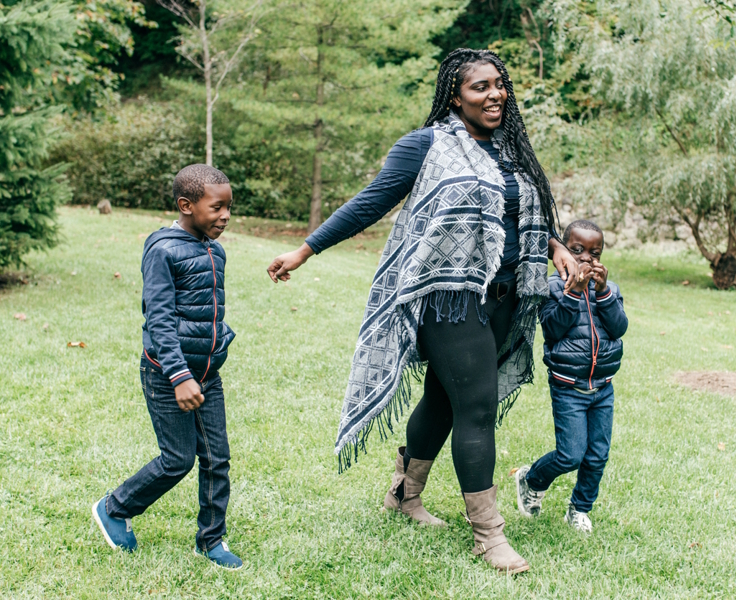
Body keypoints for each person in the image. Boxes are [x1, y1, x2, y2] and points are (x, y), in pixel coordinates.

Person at [267, 48, 578, 574]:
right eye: (480, 87)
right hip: (446, 297)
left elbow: (518, 210)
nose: (495, 94)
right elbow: (371, 200)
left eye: (499, 84)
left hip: (505, 296)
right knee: (477, 407)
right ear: (455, 96)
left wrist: (555, 247)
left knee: (444, 396)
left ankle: (403, 495)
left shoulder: (508, 150)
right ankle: (489, 535)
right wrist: (305, 249)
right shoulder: (428, 146)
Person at [92, 164, 242, 570]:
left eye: (229, 207)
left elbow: (205, 310)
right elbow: (159, 319)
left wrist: (220, 340)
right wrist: (179, 376)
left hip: (208, 376)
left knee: (218, 459)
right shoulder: (162, 250)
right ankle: (114, 507)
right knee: (178, 459)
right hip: (168, 375)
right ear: (186, 205)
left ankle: (211, 541)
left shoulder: (216, 250)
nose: (226, 215)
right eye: (217, 208)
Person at [514, 219, 628, 534]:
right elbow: (552, 330)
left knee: (597, 455)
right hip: (568, 386)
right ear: (564, 249)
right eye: (578, 250)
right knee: (570, 454)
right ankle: (532, 479)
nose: (587, 259)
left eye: (595, 252)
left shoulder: (610, 289)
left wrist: (603, 292)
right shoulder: (553, 287)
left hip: (603, 387)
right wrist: (573, 293)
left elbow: (619, 328)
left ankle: (579, 509)